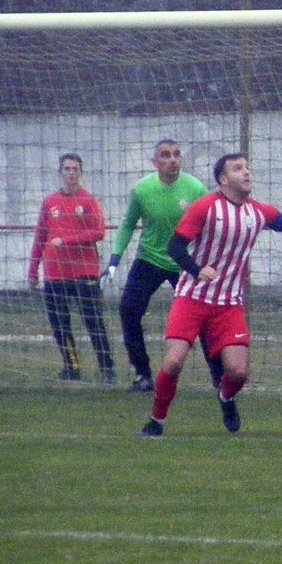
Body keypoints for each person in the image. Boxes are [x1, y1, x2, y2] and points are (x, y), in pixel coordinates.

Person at [139, 153, 282, 438]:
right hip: (191, 298)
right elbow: (175, 247)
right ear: (223, 180)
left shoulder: (259, 212)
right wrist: (197, 270)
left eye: (247, 168)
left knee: (238, 372)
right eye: (238, 169)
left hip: (229, 303)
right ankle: (156, 421)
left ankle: (226, 397)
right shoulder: (205, 207)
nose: (247, 172)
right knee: (173, 362)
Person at [104, 139, 224, 393]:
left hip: (185, 262)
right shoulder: (142, 190)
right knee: (128, 310)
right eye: (166, 155)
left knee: (203, 317)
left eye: (176, 155)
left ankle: (219, 376)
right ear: (155, 162)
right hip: (150, 258)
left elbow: (212, 223)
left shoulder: (195, 188)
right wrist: (114, 259)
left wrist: (210, 259)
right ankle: (142, 374)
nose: (172, 160)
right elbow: (128, 224)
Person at [27, 153, 116, 383]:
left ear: (81, 173)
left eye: (75, 169)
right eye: (67, 169)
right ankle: (72, 368)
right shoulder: (50, 202)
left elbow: (99, 232)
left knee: (93, 322)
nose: (71, 173)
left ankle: (107, 369)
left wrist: (66, 240)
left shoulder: (88, 200)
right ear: (61, 172)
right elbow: (40, 237)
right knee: (60, 325)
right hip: (55, 274)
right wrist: (33, 269)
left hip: (84, 272)